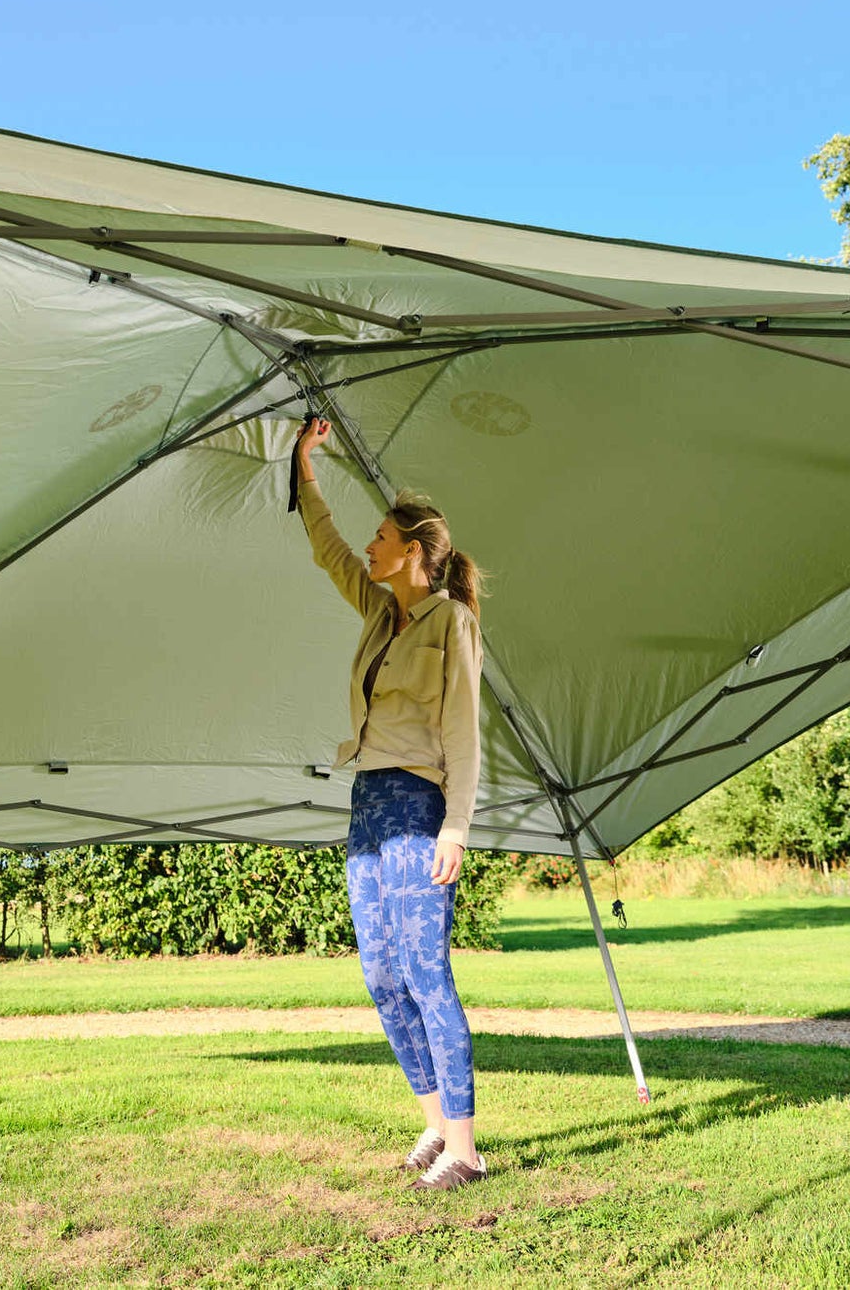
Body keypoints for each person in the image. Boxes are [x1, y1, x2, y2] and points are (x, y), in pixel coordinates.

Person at [293, 415, 489, 1191]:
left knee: (426, 969)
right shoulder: (379, 614)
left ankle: (467, 1149)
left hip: (416, 804)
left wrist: (458, 827)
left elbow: (465, 733)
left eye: (383, 539)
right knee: (380, 974)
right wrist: (305, 466)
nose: (370, 550)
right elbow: (328, 549)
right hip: (366, 803)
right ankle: (435, 1123)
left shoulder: (454, 623)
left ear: (413, 553)